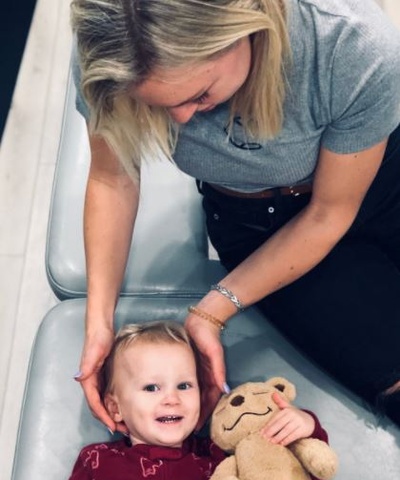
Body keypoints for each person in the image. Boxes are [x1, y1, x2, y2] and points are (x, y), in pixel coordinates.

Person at [70, 0, 400, 431]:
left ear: (245, 29)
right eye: (155, 106)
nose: (181, 120)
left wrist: (213, 309)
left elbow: (330, 212)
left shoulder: (350, 43)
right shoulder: (111, 45)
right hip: (261, 229)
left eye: (199, 95)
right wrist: (98, 323)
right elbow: (112, 178)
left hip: (380, 180)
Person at [64, 320, 331, 480]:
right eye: (151, 388)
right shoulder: (97, 461)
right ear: (115, 408)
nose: (171, 398)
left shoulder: (218, 459)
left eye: (184, 385)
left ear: (201, 395)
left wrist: (306, 426)